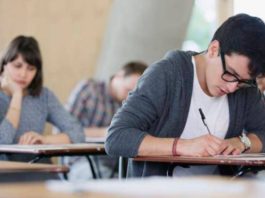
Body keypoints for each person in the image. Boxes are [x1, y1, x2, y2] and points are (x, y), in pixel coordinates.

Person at [105, 13, 265, 177]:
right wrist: (183, 146)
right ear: (213, 49)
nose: (232, 87)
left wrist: (243, 142)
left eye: (242, 82)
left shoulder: (246, 88)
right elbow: (116, 137)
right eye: (230, 74)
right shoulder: (167, 75)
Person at [0, 35, 85, 165]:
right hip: (6, 171)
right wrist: (17, 95)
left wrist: (44, 139)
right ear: (4, 65)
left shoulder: (44, 96)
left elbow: (77, 132)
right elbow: (2, 141)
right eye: (17, 66)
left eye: (31, 69)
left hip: (36, 167)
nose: (23, 74)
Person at [64, 61, 147, 180]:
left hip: (116, 165)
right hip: (81, 160)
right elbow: (62, 129)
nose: (129, 97)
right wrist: (105, 132)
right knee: (105, 181)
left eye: (134, 94)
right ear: (119, 75)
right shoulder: (89, 89)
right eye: (128, 90)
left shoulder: (131, 104)